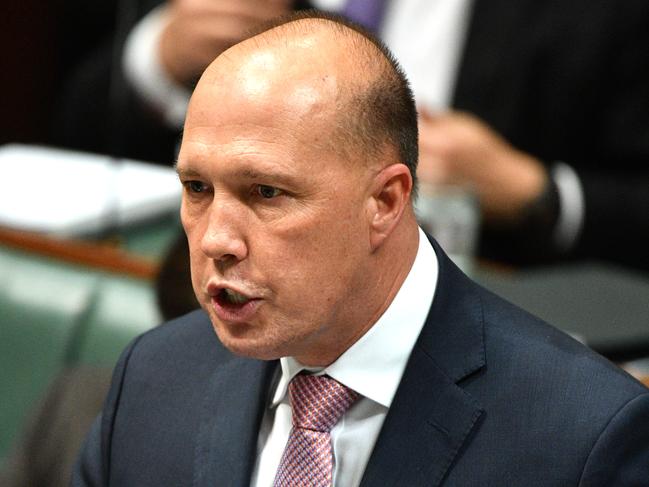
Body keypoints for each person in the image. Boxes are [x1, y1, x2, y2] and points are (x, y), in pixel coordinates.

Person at [72, 12, 649, 486]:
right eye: (197, 188)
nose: (217, 239)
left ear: (386, 201)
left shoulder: (585, 437)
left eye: (267, 192)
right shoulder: (154, 378)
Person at [54, 0, 649, 270]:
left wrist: (530, 190)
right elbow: (69, 136)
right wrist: (159, 56)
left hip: (496, 304)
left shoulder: (599, 18)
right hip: (218, 309)